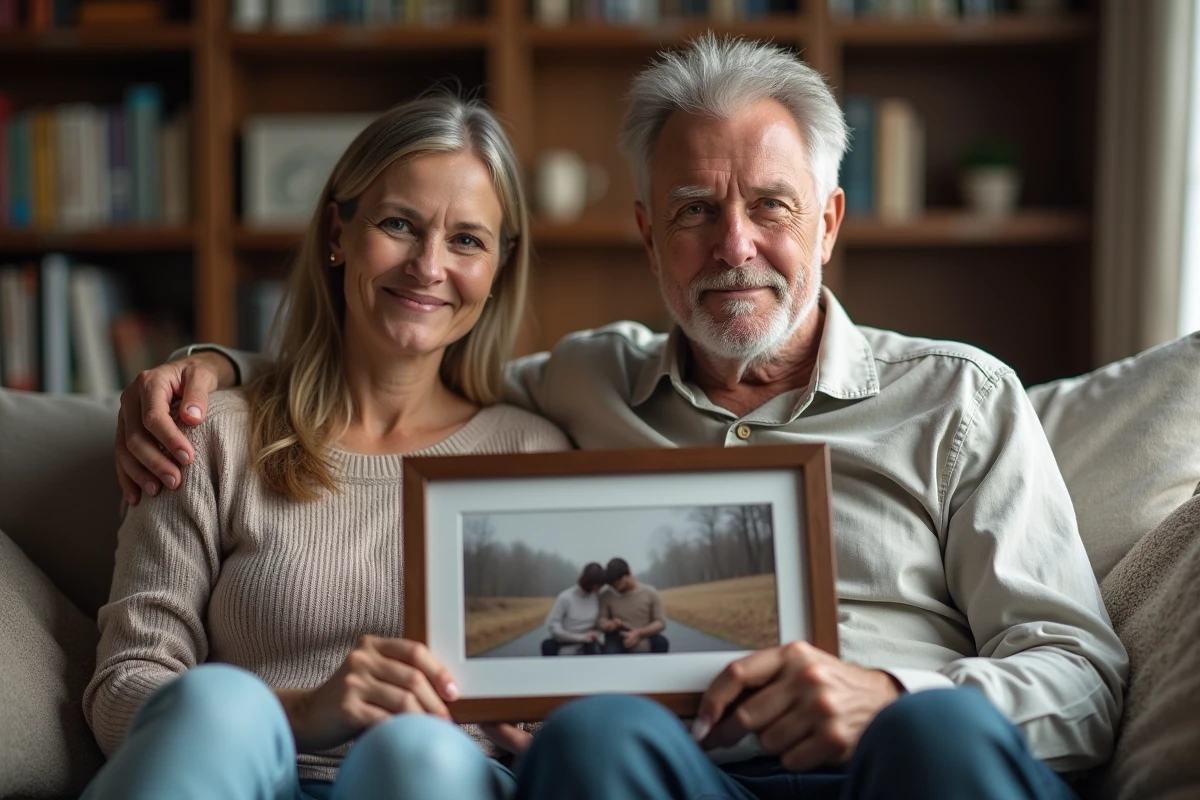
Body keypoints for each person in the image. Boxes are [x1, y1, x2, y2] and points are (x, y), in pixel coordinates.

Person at [113, 35, 1127, 800]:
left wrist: (894, 691)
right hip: (684, 772)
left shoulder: (959, 397)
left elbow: (1082, 675)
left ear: (828, 220)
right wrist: (213, 372)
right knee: (590, 739)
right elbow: (404, 353)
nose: (733, 245)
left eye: (771, 206)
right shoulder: (580, 390)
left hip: (894, 766)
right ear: (648, 233)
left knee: (937, 733)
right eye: (693, 208)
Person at [81, 94, 574, 800]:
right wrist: (301, 712)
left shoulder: (533, 455)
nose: (429, 266)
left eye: (467, 240)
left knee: (416, 754)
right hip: (240, 776)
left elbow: (564, 696)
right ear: (337, 231)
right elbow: (125, 687)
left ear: (499, 266)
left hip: (436, 781)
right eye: (400, 224)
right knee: (219, 704)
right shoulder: (209, 434)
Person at [597, 557, 669, 654]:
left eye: (618, 583)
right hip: (618, 636)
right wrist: (609, 625)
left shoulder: (650, 593)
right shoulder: (606, 595)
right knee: (610, 650)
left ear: (628, 574)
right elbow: (602, 619)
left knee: (662, 642)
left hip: (645, 634)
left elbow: (660, 622)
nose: (616, 588)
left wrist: (639, 633)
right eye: (612, 586)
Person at [541, 562, 606, 656]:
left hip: (589, 645)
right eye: (597, 586)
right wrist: (582, 638)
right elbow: (553, 626)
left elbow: (600, 624)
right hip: (566, 642)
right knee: (547, 645)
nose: (598, 589)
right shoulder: (565, 598)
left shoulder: (597, 597)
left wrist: (598, 634)